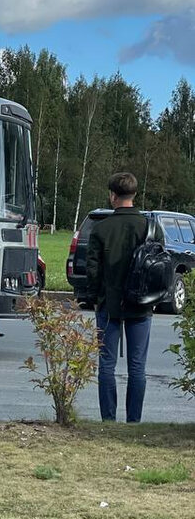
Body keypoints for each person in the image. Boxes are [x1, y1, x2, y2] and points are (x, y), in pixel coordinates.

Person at [85, 171, 161, 423]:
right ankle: (134, 421)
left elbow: (93, 270)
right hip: (141, 304)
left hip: (109, 303)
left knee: (106, 364)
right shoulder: (149, 227)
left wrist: (94, 297)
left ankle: (108, 419)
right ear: (134, 194)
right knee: (137, 367)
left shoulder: (101, 228)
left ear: (112, 196)